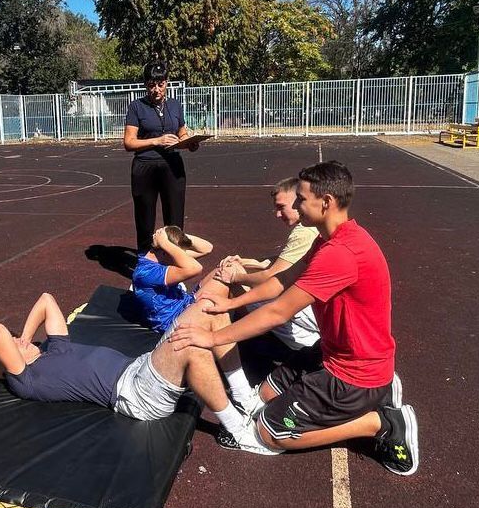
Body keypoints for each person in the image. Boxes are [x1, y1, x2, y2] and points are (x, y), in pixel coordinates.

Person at [169, 161, 420, 475]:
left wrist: (212, 338)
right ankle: (380, 392)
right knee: (263, 396)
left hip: (352, 374)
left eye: (301, 198)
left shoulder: (340, 254)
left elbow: (279, 311)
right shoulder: (328, 240)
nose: (297, 205)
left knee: (268, 433)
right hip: (335, 353)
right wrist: (231, 303)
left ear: (326, 202)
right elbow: (282, 281)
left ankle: (381, 423)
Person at [0, 289, 270, 453]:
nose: (17, 340)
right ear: (6, 365)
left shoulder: (56, 348)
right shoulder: (28, 379)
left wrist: (24, 337)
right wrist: (7, 357)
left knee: (208, 308)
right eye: (13, 343)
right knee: (192, 348)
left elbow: (46, 299)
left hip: (142, 366)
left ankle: (244, 396)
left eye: (16, 337)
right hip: (135, 395)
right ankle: (238, 432)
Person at [215, 177, 320, 352]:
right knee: (248, 283)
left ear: (298, 202)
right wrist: (245, 262)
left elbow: (272, 277)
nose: (277, 214)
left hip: (313, 309)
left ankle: (266, 345)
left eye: (281, 207)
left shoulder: (304, 232)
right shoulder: (313, 228)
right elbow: (279, 262)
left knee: (245, 291)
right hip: (318, 305)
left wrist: (235, 277)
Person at [123, 61, 200, 253]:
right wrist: (157, 141)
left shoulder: (175, 105)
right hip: (145, 167)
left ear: (167, 82)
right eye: (151, 85)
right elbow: (129, 143)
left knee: (175, 220)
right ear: (145, 85)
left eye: (160, 84)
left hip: (172, 166)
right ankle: (144, 260)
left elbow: (182, 133)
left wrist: (190, 142)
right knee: (145, 218)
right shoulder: (136, 107)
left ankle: (175, 259)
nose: (156, 89)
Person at [132, 225, 213, 333]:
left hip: (184, 303)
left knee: (226, 269)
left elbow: (207, 248)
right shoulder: (148, 273)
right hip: (171, 321)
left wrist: (175, 234)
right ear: (166, 251)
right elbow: (196, 268)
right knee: (209, 305)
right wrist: (165, 242)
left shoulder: (162, 257)